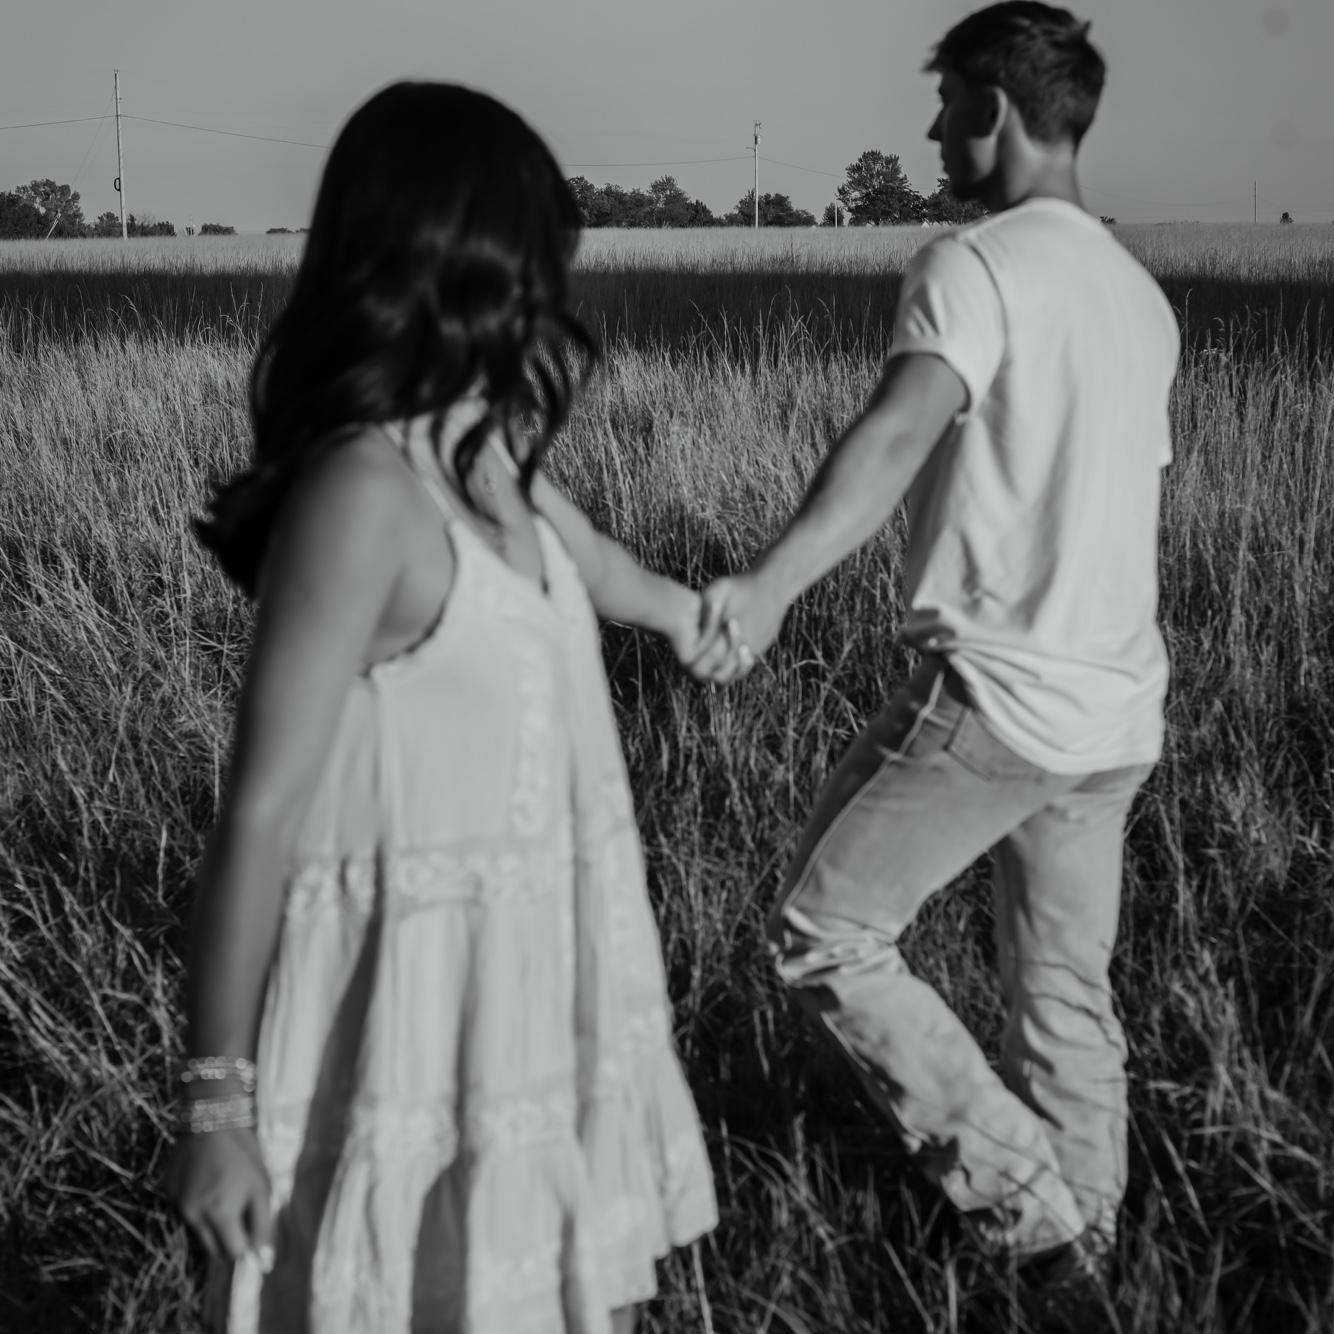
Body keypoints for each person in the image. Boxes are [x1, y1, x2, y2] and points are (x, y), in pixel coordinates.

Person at [164, 82, 717, 1334]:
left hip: (526, 1018)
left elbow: (598, 570)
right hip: (399, 1037)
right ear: (459, 260)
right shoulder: (364, 493)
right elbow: (256, 818)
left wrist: (696, 615)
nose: (551, 291)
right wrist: (214, 1105)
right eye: (534, 255)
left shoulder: (493, 464)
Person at [690, 0, 1179, 1289]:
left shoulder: (974, 264)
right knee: (1060, 989)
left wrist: (771, 583)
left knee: (823, 930)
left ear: (994, 108)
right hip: (1116, 712)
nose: (929, 130)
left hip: (999, 699)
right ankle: (1087, 1262)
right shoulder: (1137, 298)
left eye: (944, 102)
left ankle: (1030, 1216)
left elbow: (897, 433)